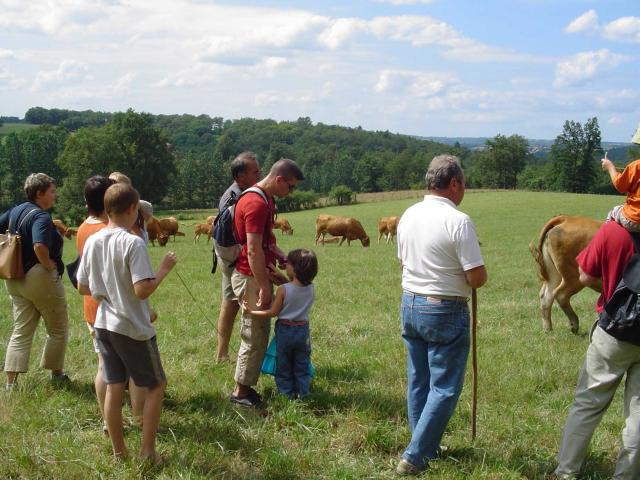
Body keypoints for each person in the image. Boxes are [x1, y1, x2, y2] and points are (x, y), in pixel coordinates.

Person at [395, 155, 487, 475]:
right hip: (444, 308)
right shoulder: (458, 220)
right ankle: (415, 455)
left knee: (419, 380)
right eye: (463, 185)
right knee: (445, 387)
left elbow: (403, 262)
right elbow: (476, 278)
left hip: (410, 302)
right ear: (453, 184)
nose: (464, 191)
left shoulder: (408, 215)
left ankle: (424, 444)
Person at [77, 183, 177, 462]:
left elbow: (83, 286)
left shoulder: (94, 240)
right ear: (133, 209)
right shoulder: (133, 242)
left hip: (103, 324)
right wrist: (164, 270)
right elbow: (142, 289)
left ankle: (119, 453)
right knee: (157, 385)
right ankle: (147, 452)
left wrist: (108, 291)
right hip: (132, 327)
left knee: (114, 386)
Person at [553, 220, 640, 479]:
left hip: (614, 331)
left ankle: (566, 472)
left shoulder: (612, 229)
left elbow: (585, 276)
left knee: (588, 403)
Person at [229, 158, 304, 408]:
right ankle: (240, 393)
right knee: (254, 333)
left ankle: (246, 387)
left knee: (259, 332)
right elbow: (252, 250)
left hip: (258, 273)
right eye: (290, 187)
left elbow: (266, 242)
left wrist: (282, 257)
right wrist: (262, 285)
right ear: (279, 180)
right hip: (250, 276)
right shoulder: (255, 202)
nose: (291, 192)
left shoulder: (267, 200)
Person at [0, 173, 70, 390]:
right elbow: (40, 245)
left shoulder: (15, 211)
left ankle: (11, 384)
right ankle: (56, 374)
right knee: (58, 327)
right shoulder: (41, 217)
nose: (54, 195)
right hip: (38, 277)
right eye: (52, 191)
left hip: (14, 277)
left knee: (21, 329)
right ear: (40, 194)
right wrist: (48, 264)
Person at [244, 248, 318, 399]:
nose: (285, 265)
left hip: (285, 331)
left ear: (295, 268)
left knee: (283, 363)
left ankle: (286, 394)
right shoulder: (311, 289)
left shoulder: (283, 290)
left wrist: (252, 312)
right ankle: (303, 392)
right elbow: (296, 287)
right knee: (301, 363)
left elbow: (272, 312)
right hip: (303, 331)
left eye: (288, 263)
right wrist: (279, 273)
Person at [214, 152, 262, 363]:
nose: (260, 175)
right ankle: (245, 357)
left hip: (229, 257)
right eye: (255, 172)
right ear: (240, 177)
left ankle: (222, 354)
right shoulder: (238, 198)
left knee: (230, 302)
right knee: (244, 301)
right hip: (236, 258)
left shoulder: (235, 193)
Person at [601, 124, 640, 231]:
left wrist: (610, 167)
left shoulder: (636, 166)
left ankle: (607, 241)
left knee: (614, 211)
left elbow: (620, 185)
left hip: (633, 219)